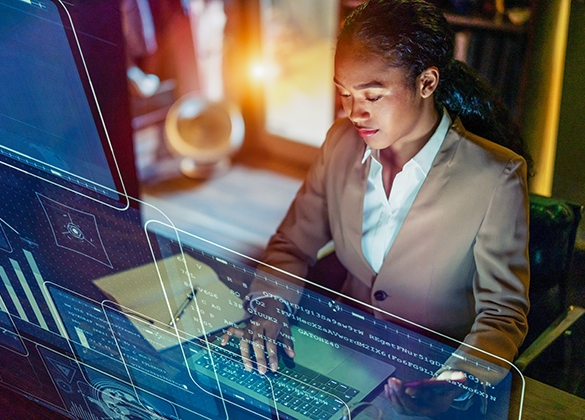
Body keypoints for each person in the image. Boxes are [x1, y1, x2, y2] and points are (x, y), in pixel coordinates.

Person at [221, 0, 531, 416]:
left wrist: (459, 380)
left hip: (425, 383)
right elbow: (293, 244)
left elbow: (502, 314)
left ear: (427, 82)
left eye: (372, 94)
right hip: (341, 358)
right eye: (344, 93)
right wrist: (269, 309)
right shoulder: (340, 143)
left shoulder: (495, 178)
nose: (354, 112)